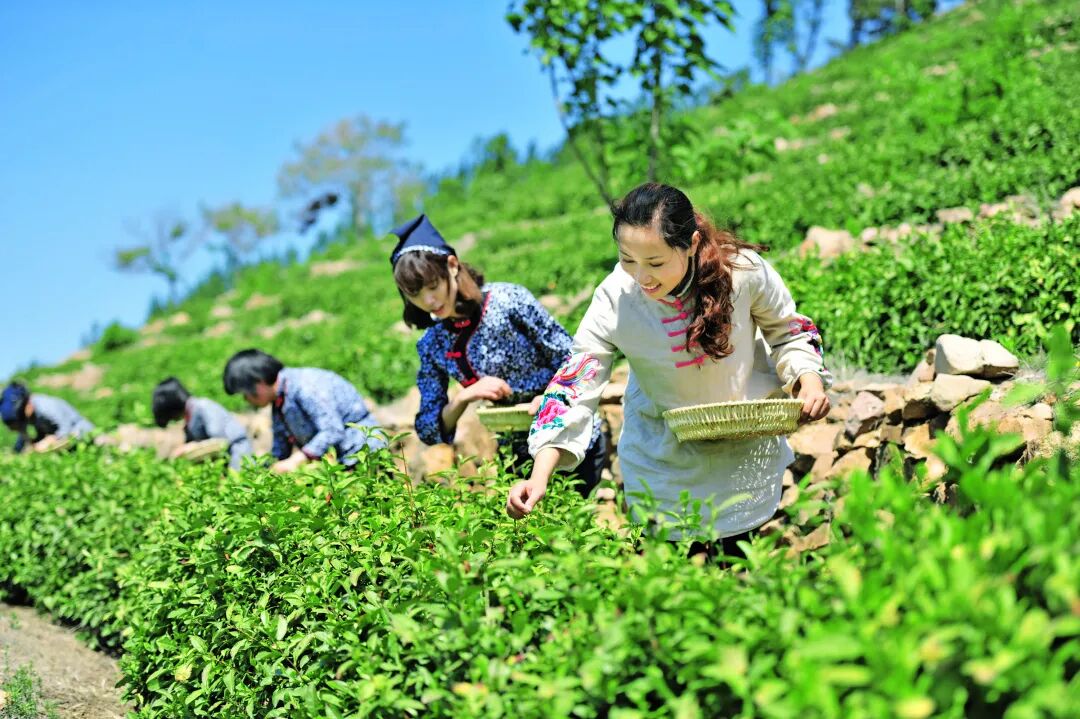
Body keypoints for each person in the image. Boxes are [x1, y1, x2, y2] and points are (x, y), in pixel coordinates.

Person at [506, 183, 832, 556]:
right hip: (662, 460)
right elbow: (576, 382)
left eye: (656, 263)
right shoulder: (616, 298)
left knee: (740, 571)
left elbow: (787, 330)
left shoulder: (742, 272)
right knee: (677, 584)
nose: (641, 277)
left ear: (691, 243)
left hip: (741, 452)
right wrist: (540, 473)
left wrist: (808, 381)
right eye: (627, 259)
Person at [390, 214, 606, 495]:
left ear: (452, 266)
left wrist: (551, 397)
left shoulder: (507, 301)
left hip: (571, 438)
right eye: (415, 294)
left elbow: (575, 361)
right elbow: (430, 429)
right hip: (517, 452)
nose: (428, 301)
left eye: (433, 287)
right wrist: (465, 396)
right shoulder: (432, 343)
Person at [222, 349, 384, 473]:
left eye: (246, 393)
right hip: (340, 463)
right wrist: (264, 471)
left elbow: (333, 430)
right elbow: (280, 449)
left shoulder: (305, 386)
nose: (246, 399)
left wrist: (296, 460)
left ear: (260, 382)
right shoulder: (279, 401)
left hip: (364, 453)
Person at [151, 377, 254, 470]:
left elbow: (219, 439)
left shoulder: (203, 407)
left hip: (238, 454)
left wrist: (191, 446)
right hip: (224, 460)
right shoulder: (189, 416)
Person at [0, 381, 95, 453]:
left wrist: (49, 442)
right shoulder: (27, 414)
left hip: (81, 433)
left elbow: (66, 427)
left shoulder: (45, 405)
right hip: (64, 445)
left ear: (27, 402)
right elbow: (23, 436)